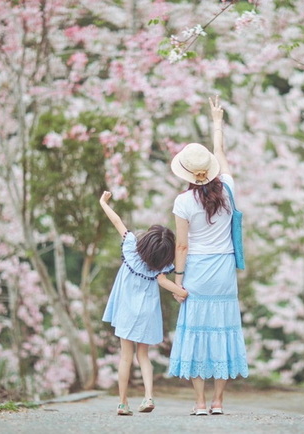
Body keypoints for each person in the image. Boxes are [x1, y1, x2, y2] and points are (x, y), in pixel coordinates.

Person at [167, 96, 249, 416]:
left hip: (198, 270)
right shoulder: (227, 189)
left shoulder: (183, 202)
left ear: (187, 173)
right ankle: (218, 402)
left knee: (197, 331)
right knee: (224, 327)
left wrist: (178, 279)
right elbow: (222, 155)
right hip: (224, 268)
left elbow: (182, 246)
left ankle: (199, 403)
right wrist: (217, 123)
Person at [99, 191, 188, 416]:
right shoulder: (160, 268)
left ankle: (122, 402)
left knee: (125, 357)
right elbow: (165, 282)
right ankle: (148, 396)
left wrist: (103, 202)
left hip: (126, 312)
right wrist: (182, 292)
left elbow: (117, 220)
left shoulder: (130, 248)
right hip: (147, 313)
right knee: (143, 356)